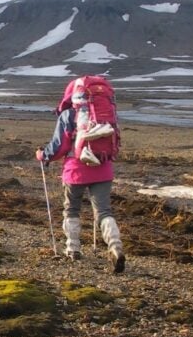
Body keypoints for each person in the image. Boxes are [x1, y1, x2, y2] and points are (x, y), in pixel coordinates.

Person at [35, 83, 126, 273]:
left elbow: (59, 147)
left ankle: (73, 249)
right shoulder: (107, 114)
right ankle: (115, 246)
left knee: (72, 209)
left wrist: (43, 155)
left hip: (76, 170)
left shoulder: (68, 115)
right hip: (103, 167)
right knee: (103, 212)